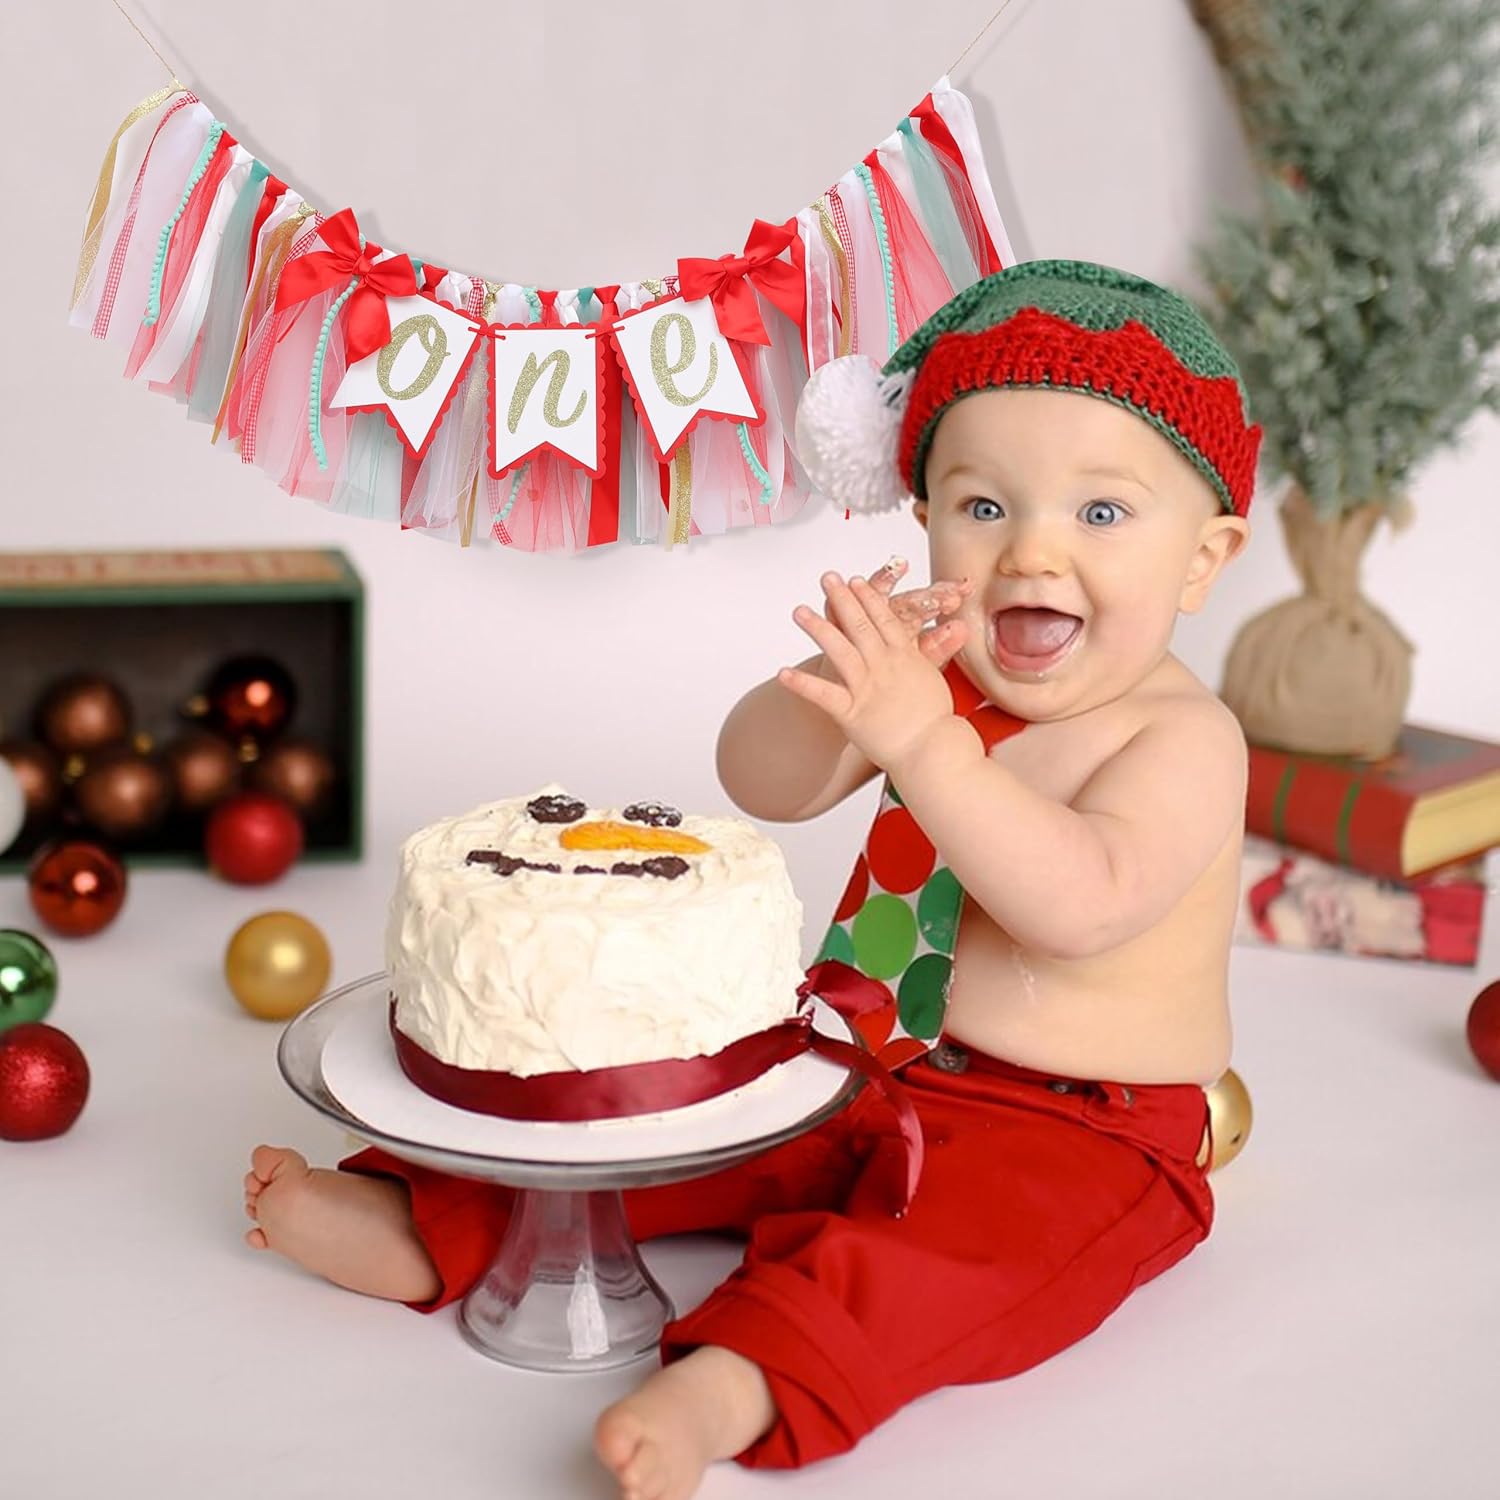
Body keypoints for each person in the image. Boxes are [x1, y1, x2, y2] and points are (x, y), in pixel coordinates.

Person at [243, 259, 1260, 1500]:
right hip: (861, 1050)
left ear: (1203, 560)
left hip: (1079, 1123)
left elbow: (1079, 903)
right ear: (926, 514)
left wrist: (922, 742)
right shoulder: (938, 681)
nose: (1030, 550)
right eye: (983, 505)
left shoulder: (1180, 738)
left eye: (1101, 515)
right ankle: (428, 1217)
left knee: (949, 1263)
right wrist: (842, 695)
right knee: (672, 1126)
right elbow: (760, 781)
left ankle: (735, 1376)